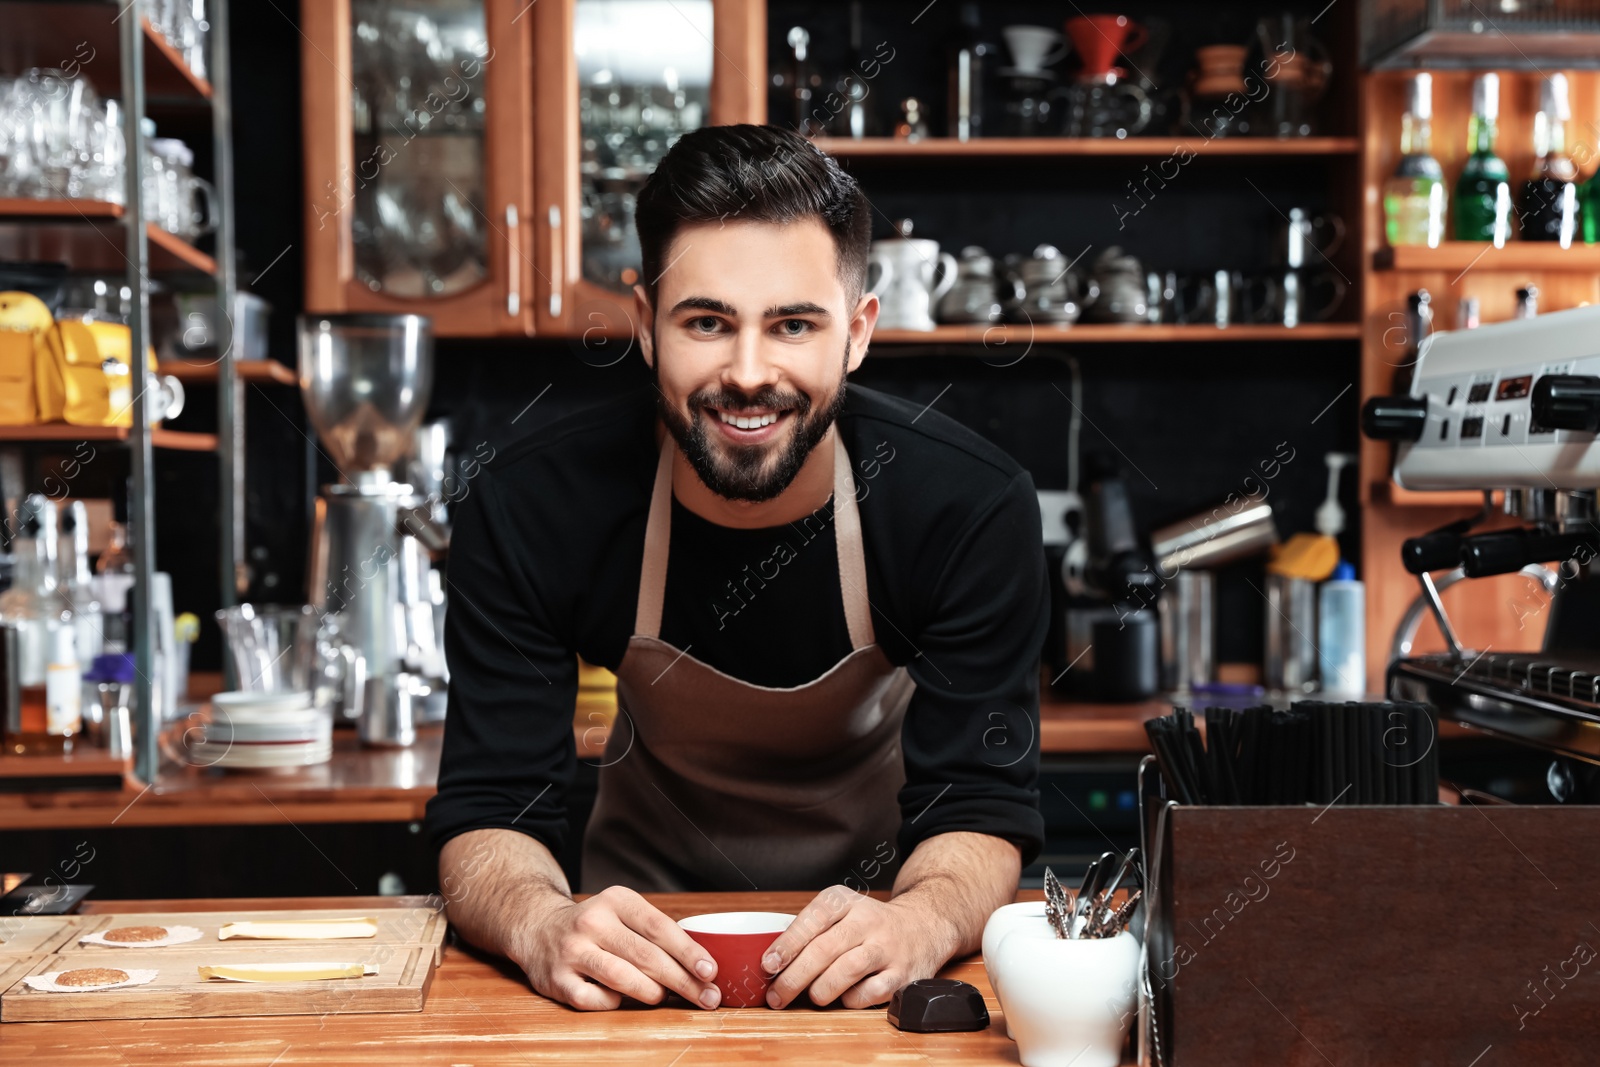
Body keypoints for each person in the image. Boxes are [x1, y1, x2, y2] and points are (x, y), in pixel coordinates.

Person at [426, 124, 1049, 1012]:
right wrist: (540, 921)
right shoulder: (531, 504)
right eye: (708, 323)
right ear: (646, 328)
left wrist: (916, 923)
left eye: (793, 324)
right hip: (639, 971)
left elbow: (981, 805)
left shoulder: (965, 506)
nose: (748, 373)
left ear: (858, 333)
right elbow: (490, 805)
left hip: (874, 962)